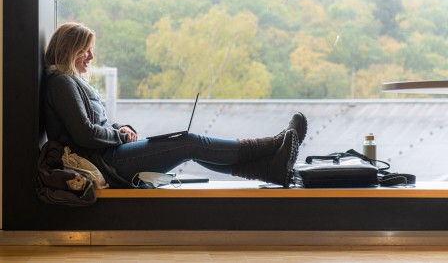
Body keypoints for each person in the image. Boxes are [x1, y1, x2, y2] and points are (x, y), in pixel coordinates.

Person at [44, 22, 308, 189]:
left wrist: (120, 127)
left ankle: (266, 169)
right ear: (69, 50)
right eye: (85, 50)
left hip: (108, 155)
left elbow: (94, 126)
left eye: (91, 49)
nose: (91, 56)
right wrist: (119, 135)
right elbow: (84, 133)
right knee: (188, 142)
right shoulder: (61, 83)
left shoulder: (72, 82)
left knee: (189, 148)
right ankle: (272, 146)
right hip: (103, 162)